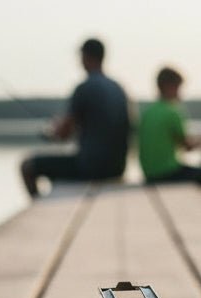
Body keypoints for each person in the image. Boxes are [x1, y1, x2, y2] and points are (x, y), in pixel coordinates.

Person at [20, 38, 130, 198]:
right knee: (58, 168)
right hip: (118, 168)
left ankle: (39, 205)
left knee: (27, 166)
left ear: (85, 57)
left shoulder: (84, 88)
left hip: (90, 168)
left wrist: (52, 130)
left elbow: (63, 134)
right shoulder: (118, 88)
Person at [138, 67, 201, 197]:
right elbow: (187, 147)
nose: (180, 93)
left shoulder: (148, 112)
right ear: (168, 86)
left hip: (149, 174)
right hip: (165, 174)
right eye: (178, 88)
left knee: (194, 171)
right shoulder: (172, 111)